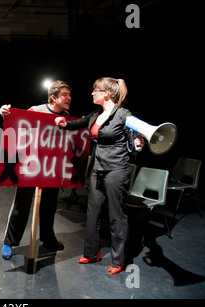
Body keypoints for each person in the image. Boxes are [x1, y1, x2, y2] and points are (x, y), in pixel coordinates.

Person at [55, 77, 144, 274]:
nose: (92, 93)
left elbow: (140, 132)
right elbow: (79, 123)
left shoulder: (122, 114)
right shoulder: (96, 115)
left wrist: (139, 140)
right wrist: (63, 123)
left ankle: (119, 259)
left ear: (106, 93)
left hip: (116, 169)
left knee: (116, 216)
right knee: (92, 212)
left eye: (95, 90)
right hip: (97, 168)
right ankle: (91, 252)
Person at [0, 80, 72, 260]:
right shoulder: (36, 110)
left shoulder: (67, 116)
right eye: (65, 95)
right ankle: (9, 242)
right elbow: (16, 124)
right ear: (53, 97)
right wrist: (5, 114)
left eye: (69, 95)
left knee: (50, 206)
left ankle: (48, 238)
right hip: (30, 168)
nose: (69, 98)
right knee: (21, 206)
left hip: (51, 169)